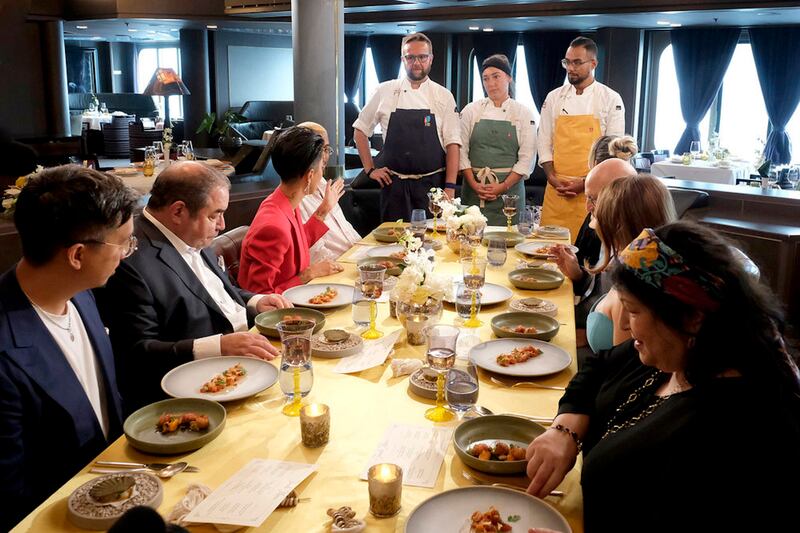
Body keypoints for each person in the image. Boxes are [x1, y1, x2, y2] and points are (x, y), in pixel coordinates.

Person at [526, 222, 800, 531]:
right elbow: (598, 367)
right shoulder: (674, 352)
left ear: (692, 316)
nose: (627, 326)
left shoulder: (740, 428)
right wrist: (566, 431)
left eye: (634, 311)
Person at [0, 165, 138, 529]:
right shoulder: (6, 350)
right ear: (77, 255)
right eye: (123, 242)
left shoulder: (81, 294)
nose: (127, 254)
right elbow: (10, 497)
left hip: (119, 495)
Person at [97, 162, 288, 414]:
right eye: (214, 215)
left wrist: (256, 301)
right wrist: (218, 347)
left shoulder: (192, 232)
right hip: (199, 392)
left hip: (249, 359)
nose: (221, 225)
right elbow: (137, 353)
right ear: (178, 212)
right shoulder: (131, 260)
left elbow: (218, 293)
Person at [352, 32, 461, 221]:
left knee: (433, 243)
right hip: (393, 187)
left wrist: (450, 187)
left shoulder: (443, 96)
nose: (416, 62)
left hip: (433, 187)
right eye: (410, 57)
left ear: (431, 59)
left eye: (422, 57)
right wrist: (370, 170)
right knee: (393, 244)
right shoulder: (385, 90)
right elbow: (360, 131)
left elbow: (453, 144)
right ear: (403, 59)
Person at [537, 36, 625, 242]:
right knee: (546, 251)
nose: (570, 68)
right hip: (556, 190)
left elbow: (614, 153)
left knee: (584, 254)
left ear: (593, 64)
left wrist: (584, 184)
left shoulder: (610, 98)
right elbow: (543, 141)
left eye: (577, 62)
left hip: (591, 194)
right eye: (567, 62)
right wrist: (551, 177)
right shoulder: (554, 97)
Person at [238, 126, 345, 294]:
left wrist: (323, 210)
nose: (322, 174)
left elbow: (295, 243)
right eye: (321, 169)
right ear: (310, 175)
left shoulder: (282, 200)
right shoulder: (273, 225)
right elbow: (259, 297)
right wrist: (308, 274)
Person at [552, 157, 638, 339]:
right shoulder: (613, 236)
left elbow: (628, 338)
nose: (587, 206)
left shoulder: (640, 258)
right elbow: (604, 290)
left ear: (619, 199)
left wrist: (581, 336)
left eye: (593, 198)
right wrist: (578, 275)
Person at [459, 54, 537, 226]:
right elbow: (460, 152)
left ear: (509, 78)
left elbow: (527, 158)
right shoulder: (471, 111)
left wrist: (503, 186)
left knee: (509, 244)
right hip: (474, 192)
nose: (491, 83)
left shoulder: (523, 113)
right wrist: (474, 183)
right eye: (486, 78)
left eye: (496, 76)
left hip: (509, 195)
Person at [296, 121, 362, 262]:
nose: (326, 156)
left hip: (355, 256)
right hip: (337, 270)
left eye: (327, 149)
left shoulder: (322, 183)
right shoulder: (296, 198)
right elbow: (315, 256)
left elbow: (347, 233)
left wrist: (365, 253)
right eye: (322, 149)